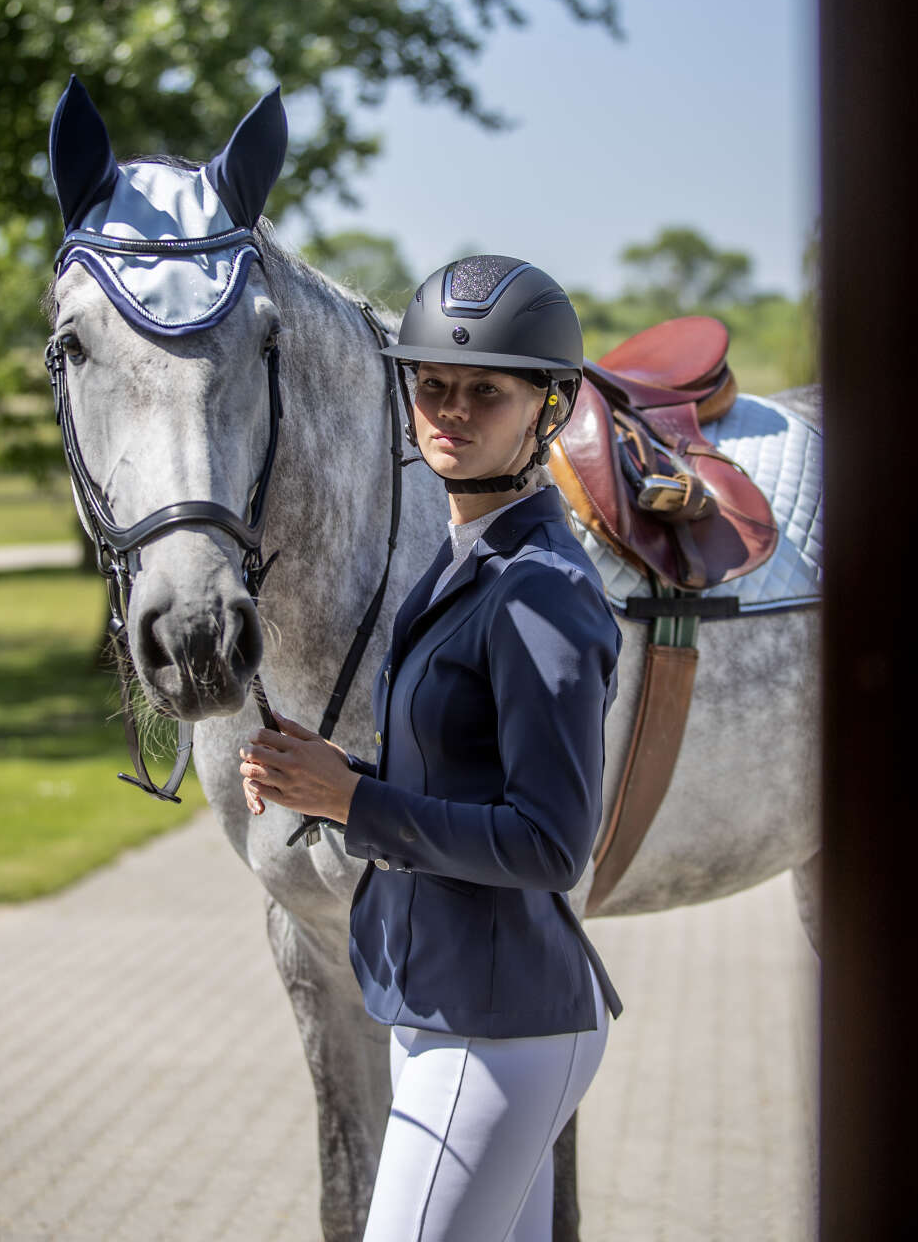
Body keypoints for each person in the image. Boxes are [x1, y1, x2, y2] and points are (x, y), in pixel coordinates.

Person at [240, 254, 622, 1242]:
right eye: (431, 384)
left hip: (494, 1030)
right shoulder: (467, 558)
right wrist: (327, 784)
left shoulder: (538, 587)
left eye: (484, 391)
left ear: (547, 406)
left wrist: (355, 805)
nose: (447, 410)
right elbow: (460, 783)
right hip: (447, 1013)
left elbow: (548, 844)